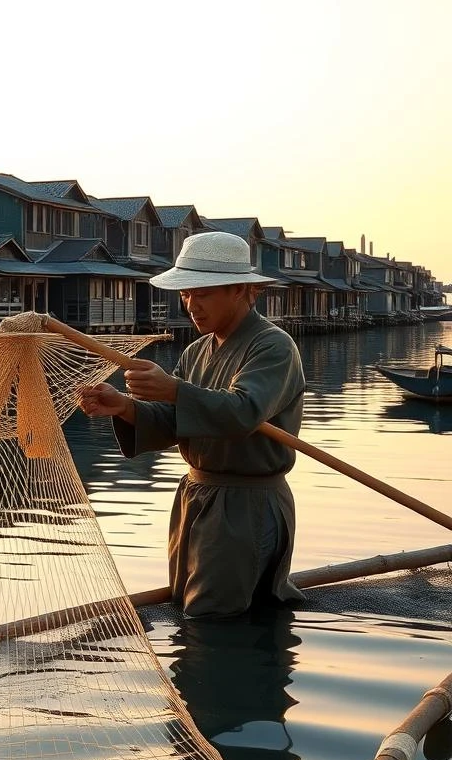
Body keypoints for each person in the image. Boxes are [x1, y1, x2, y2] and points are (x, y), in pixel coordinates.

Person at [79, 231, 305, 619]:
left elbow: (243, 412)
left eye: (202, 293)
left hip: (245, 503)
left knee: (213, 615)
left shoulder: (273, 346)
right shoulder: (198, 349)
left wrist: (174, 389)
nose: (191, 305)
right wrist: (125, 408)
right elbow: (174, 423)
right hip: (196, 495)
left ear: (239, 290)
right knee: (185, 600)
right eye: (186, 295)